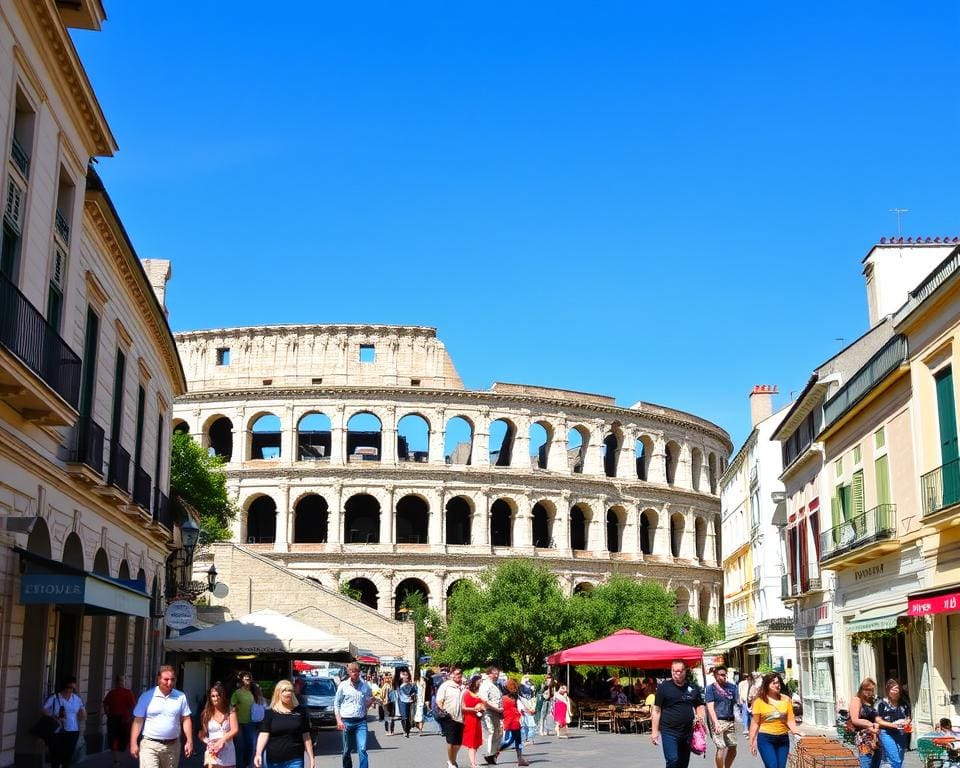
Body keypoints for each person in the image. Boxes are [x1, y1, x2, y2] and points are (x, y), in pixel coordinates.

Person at [130, 665, 193, 768]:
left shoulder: (181, 696)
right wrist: (133, 743)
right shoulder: (147, 696)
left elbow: (186, 719)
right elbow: (138, 720)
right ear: (158, 679)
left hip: (172, 746)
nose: (169, 683)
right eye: (166, 679)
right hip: (150, 745)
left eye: (172, 680)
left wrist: (189, 741)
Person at [651, 659, 706, 768]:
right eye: (675, 671)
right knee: (673, 759)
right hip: (669, 731)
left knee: (683, 763)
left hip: (687, 731)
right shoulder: (664, 687)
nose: (678, 674)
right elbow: (656, 710)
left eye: (680, 671)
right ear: (671, 672)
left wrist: (701, 718)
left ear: (685, 671)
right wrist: (654, 732)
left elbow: (699, 705)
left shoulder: (692, 687)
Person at [254, 679, 315, 768]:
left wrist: (311, 758)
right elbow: (263, 734)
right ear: (278, 693)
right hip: (273, 760)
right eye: (284, 691)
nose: (288, 693)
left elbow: (306, 736)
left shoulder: (301, 711)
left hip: (295, 759)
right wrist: (258, 753)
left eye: (290, 690)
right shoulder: (270, 713)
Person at [749, 672, 801, 768]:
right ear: (767, 685)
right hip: (765, 738)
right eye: (774, 683)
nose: (777, 685)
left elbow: (790, 719)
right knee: (772, 765)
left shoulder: (786, 700)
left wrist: (796, 732)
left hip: (783, 739)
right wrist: (752, 740)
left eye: (778, 683)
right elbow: (755, 722)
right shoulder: (759, 701)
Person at [334, 662, 374, 768]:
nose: (354, 673)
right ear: (348, 673)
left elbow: (366, 702)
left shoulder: (365, 685)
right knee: (347, 750)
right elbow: (336, 703)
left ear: (359, 672)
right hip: (346, 721)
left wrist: (371, 701)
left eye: (356, 671)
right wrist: (338, 720)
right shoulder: (343, 686)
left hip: (361, 722)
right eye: (352, 671)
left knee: (362, 749)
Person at [43, 676, 86, 768]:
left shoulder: (76, 699)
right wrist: (54, 717)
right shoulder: (55, 697)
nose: (70, 690)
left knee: (68, 757)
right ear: (64, 687)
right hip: (57, 731)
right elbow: (43, 709)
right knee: (56, 757)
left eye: (73, 688)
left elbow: (83, 714)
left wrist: (81, 715)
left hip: (73, 731)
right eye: (69, 687)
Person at [705, 664, 739, 768]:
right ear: (715, 675)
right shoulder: (710, 688)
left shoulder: (732, 687)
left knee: (733, 748)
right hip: (718, 720)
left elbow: (736, 703)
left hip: (730, 720)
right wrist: (715, 723)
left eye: (725, 675)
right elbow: (710, 707)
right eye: (721, 675)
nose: (724, 677)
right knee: (721, 747)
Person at [200, 682, 239, 768]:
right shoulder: (206, 713)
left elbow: (235, 729)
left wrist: (222, 740)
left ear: (222, 696)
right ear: (210, 698)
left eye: (218, 695)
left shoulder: (230, 711)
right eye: (213, 696)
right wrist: (208, 742)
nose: (215, 698)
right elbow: (201, 734)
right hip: (213, 752)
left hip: (228, 751)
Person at [877, 679, 912, 768]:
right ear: (888, 690)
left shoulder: (903, 703)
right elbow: (878, 720)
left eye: (897, 689)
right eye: (894, 689)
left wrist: (907, 722)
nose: (896, 692)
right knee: (895, 759)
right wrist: (894, 725)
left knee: (900, 757)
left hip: (901, 733)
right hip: (887, 733)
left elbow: (908, 717)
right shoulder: (882, 704)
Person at [435, 667, 465, 768]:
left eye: (460, 674)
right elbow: (439, 700)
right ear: (451, 675)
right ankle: (451, 763)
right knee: (451, 741)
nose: (458, 676)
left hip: (462, 717)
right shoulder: (446, 686)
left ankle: (452, 759)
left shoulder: (464, 686)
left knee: (459, 742)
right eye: (456, 674)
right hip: (449, 717)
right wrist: (443, 710)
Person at [103, 674, 135, 768]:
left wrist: (131, 718)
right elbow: (105, 704)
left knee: (124, 740)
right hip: (113, 718)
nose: (120, 682)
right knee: (112, 739)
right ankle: (116, 760)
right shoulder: (112, 693)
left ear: (125, 682)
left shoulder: (128, 693)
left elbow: (133, 706)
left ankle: (121, 759)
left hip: (124, 720)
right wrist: (108, 714)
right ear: (116, 682)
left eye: (122, 681)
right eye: (119, 681)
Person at [849, 678, 881, 768]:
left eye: (871, 690)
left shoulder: (871, 702)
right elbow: (855, 719)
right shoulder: (857, 700)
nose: (869, 692)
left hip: (875, 737)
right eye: (867, 689)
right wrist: (870, 725)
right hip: (864, 737)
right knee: (866, 763)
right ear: (861, 689)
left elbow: (875, 719)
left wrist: (876, 729)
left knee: (876, 764)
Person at [499, 679, 530, 766]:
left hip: (512, 719)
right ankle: (496, 751)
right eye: (514, 687)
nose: (515, 689)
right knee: (512, 740)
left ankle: (520, 759)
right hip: (513, 720)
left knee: (517, 739)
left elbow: (517, 707)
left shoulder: (507, 697)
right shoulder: (510, 698)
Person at [230, 672, 257, 768]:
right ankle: (240, 765)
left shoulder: (254, 691)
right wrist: (236, 707)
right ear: (242, 680)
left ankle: (246, 764)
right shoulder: (237, 692)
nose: (248, 679)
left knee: (250, 745)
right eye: (246, 678)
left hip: (251, 722)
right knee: (240, 746)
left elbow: (260, 702)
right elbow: (232, 705)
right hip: (238, 723)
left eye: (249, 678)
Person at [479, 665, 504, 764]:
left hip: (497, 713)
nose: (497, 675)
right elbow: (484, 701)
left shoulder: (496, 684)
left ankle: (492, 754)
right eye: (495, 674)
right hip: (488, 712)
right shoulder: (485, 685)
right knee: (491, 732)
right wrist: (497, 709)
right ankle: (488, 754)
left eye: (498, 674)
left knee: (497, 734)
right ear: (489, 674)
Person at [462, 674, 486, 768]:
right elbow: (463, 708)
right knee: (471, 742)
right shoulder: (466, 693)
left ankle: (473, 761)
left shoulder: (480, 693)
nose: (480, 683)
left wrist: (482, 708)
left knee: (476, 742)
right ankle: (473, 763)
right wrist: (473, 709)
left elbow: (484, 705)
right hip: (469, 719)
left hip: (477, 719)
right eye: (479, 682)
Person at [395, 668, 417, 737]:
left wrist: (413, 694)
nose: (406, 676)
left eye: (407, 675)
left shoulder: (411, 685)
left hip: (410, 702)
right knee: (404, 716)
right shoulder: (398, 684)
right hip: (402, 701)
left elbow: (415, 692)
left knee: (410, 716)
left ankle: (408, 729)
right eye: (404, 675)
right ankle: (405, 731)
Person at [518, 676, 537, 746]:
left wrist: (533, 708)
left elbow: (533, 699)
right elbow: (519, 699)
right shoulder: (520, 689)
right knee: (524, 725)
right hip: (523, 709)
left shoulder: (531, 690)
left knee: (531, 724)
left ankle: (529, 739)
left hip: (530, 708)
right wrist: (521, 709)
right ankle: (525, 739)